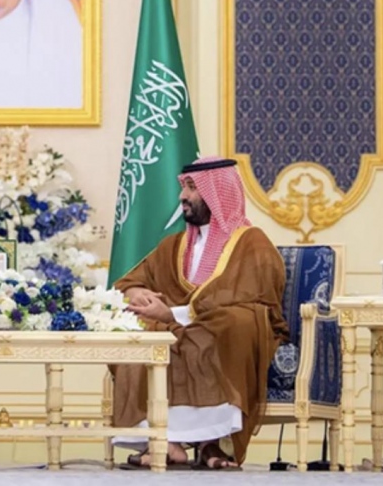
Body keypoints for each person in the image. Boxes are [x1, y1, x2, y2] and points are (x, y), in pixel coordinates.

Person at [110, 156, 287, 470]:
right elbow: (130, 282)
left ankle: (213, 443)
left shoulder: (252, 242)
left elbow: (254, 295)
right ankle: (166, 442)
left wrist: (174, 315)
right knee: (139, 331)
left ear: (218, 192)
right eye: (184, 187)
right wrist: (139, 294)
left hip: (222, 330)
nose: (182, 196)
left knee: (231, 323)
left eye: (192, 188)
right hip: (179, 327)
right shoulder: (174, 245)